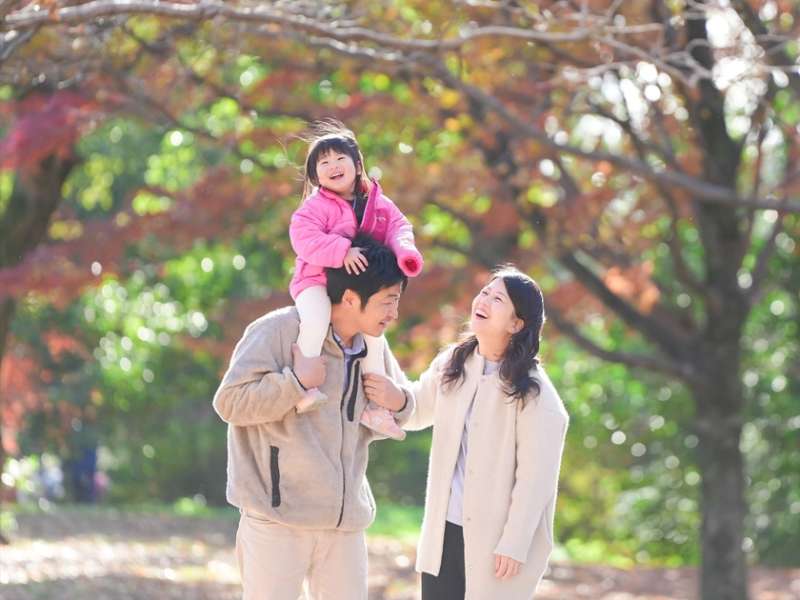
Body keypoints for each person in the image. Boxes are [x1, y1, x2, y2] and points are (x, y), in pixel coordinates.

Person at [212, 234, 416, 600]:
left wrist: (400, 401)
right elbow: (229, 403)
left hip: (344, 525)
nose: (394, 313)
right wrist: (294, 383)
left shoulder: (372, 347)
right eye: (388, 301)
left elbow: (394, 414)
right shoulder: (279, 331)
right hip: (277, 519)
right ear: (351, 297)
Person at [365, 266, 569, 599]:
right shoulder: (453, 362)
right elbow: (420, 407)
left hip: (496, 541)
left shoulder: (534, 395)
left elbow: (537, 479)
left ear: (516, 324)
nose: (484, 299)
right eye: (485, 291)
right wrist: (396, 396)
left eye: (498, 298)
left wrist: (515, 542)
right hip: (443, 530)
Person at [289, 120, 423, 441]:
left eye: (340, 159)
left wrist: (404, 251)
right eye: (324, 163)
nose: (333, 166)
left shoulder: (376, 202)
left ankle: (377, 408)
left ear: (357, 164)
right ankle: (305, 384)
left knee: (374, 339)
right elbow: (303, 239)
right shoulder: (315, 207)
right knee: (317, 319)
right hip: (315, 281)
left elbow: (399, 227)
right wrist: (342, 250)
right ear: (314, 176)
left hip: (356, 291)